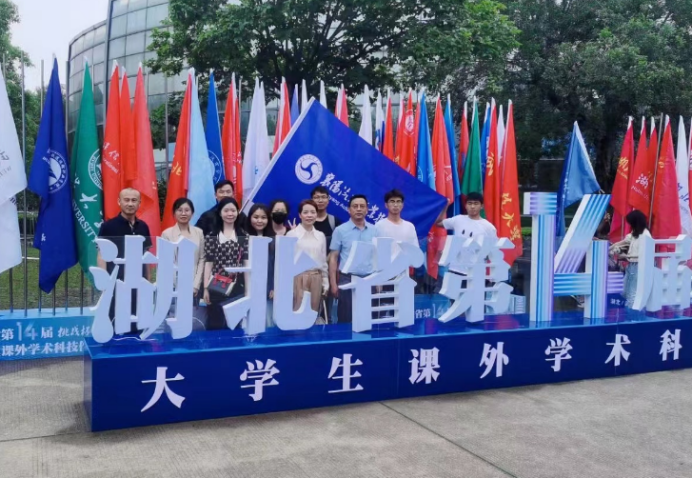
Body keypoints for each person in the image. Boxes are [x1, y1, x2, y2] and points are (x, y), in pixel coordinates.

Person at [97, 188, 152, 334]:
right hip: (117, 283)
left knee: (138, 323)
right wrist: (104, 282)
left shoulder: (143, 227)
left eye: (134, 200)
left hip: (138, 283)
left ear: (139, 203)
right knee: (115, 322)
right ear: (119, 202)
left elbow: (146, 255)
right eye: (126, 200)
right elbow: (101, 255)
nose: (130, 204)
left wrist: (148, 281)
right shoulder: (108, 226)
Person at [202, 197, 248, 330]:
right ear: (220, 213)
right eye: (226, 210)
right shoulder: (212, 236)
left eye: (233, 210)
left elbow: (246, 265)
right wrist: (205, 288)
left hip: (237, 286)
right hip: (216, 285)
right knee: (215, 321)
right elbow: (208, 263)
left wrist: (248, 290)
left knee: (235, 324)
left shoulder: (243, 236)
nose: (230, 214)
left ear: (238, 212)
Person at [329, 195, 377, 323]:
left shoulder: (375, 230)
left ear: (367, 210)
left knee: (369, 319)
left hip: (369, 279)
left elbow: (378, 256)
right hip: (347, 279)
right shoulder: (340, 230)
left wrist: (379, 281)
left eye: (362, 206)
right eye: (355, 206)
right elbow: (333, 258)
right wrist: (333, 284)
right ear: (349, 210)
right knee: (346, 318)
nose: (359, 209)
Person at [286, 200, 328, 321]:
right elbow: (286, 262)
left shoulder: (320, 235)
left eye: (313, 212)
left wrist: (325, 280)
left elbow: (323, 260)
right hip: (298, 277)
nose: (309, 215)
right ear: (300, 215)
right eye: (305, 212)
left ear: (316, 214)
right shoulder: (291, 235)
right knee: (297, 311)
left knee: (313, 313)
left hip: (316, 277)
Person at [161, 198, 206, 303]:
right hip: (173, 285)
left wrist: (196, 285)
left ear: (192, 213)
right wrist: (172, 285)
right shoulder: (167, 234)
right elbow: (165, 262)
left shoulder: (199, 232)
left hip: (194, 283)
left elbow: (202, 259)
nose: (183, 213)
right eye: (180, 210)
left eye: (187, 210)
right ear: (174, 213)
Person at [609, 210, 651, 309]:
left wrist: (625, 256)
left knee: (632, 293)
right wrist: (613, 248)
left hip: (639, 266)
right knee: (625, 291)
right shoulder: (635, 234)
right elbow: (625, 242)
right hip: (632, 265)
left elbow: (644, 255)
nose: (630, 225)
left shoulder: (645, 236)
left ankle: (632, 314)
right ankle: (630, 311)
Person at [246, 203, 276, 326]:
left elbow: (276, 267)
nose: (259, 221)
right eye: (256, 217)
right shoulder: (243, 239)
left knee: (268, 323)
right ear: (250, 218)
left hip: (268, 290)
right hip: (248, 289)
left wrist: (274, 287)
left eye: (263, 217)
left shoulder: (274, 241)